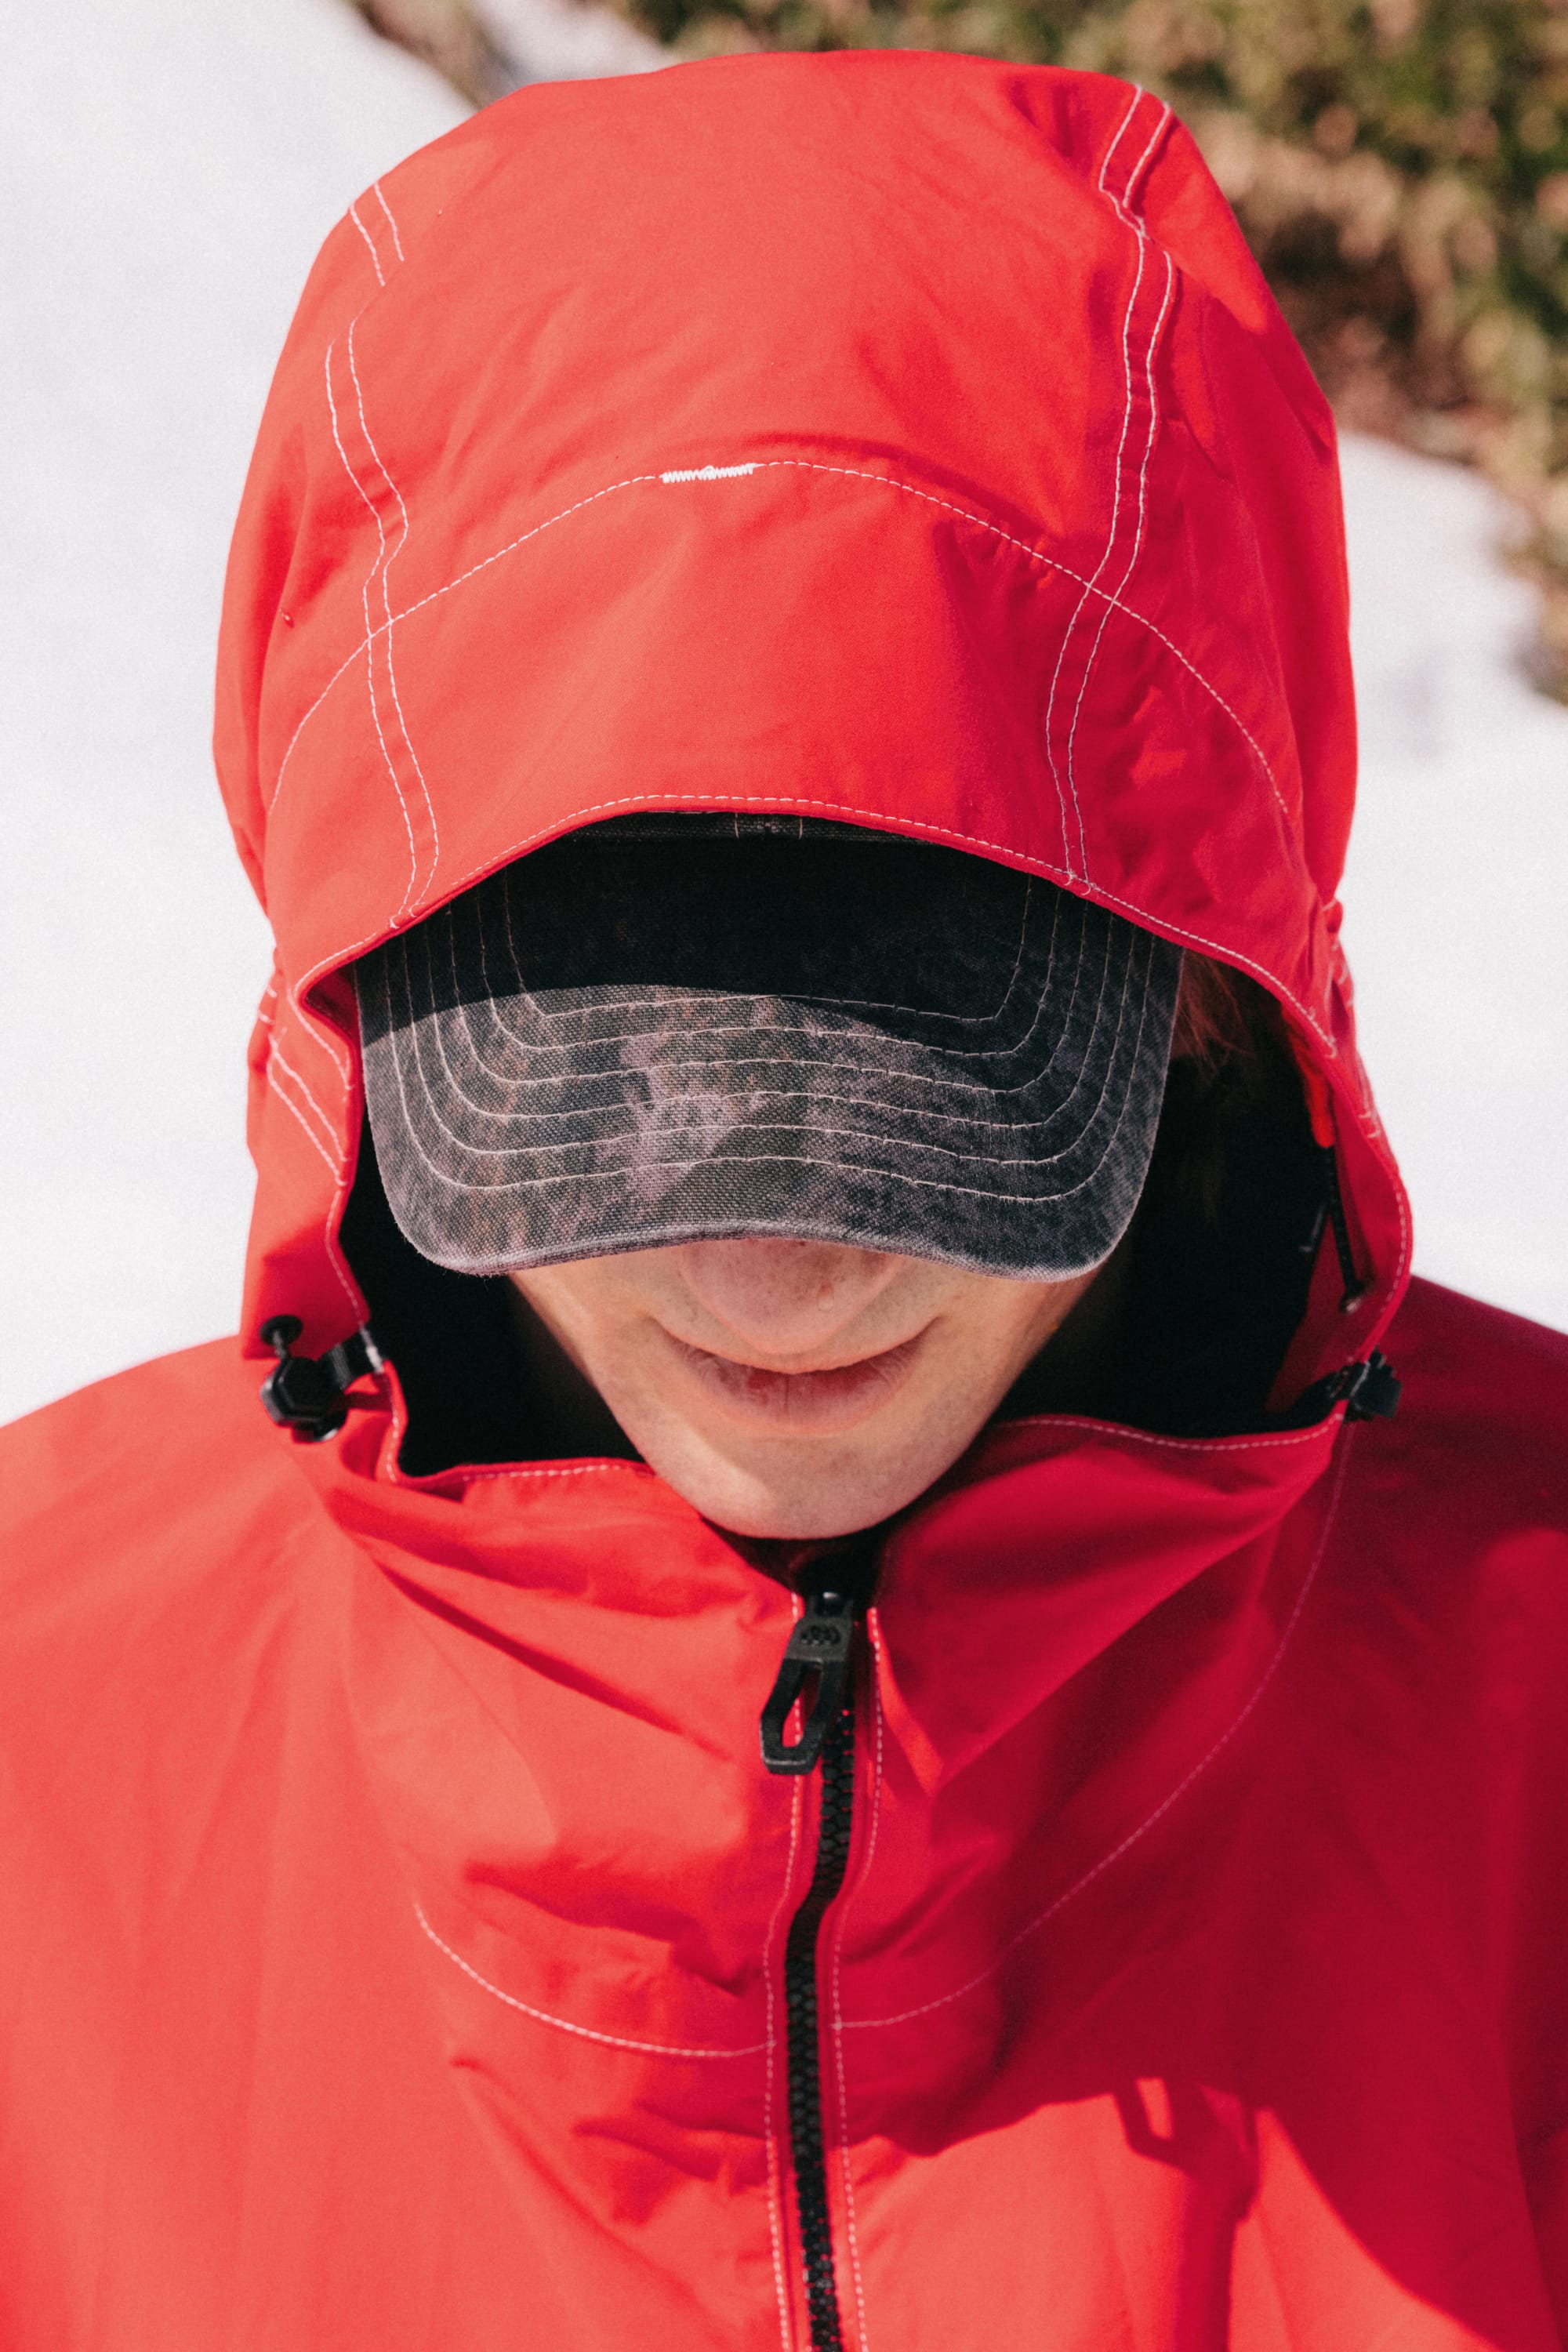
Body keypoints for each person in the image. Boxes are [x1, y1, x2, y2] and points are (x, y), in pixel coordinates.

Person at [2, 46, 1566, 2352]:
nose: (778, 1276)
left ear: (1210, 998)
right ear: (365, 1019)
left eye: (938, 1078)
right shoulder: (39, 1760)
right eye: (599, 1086)